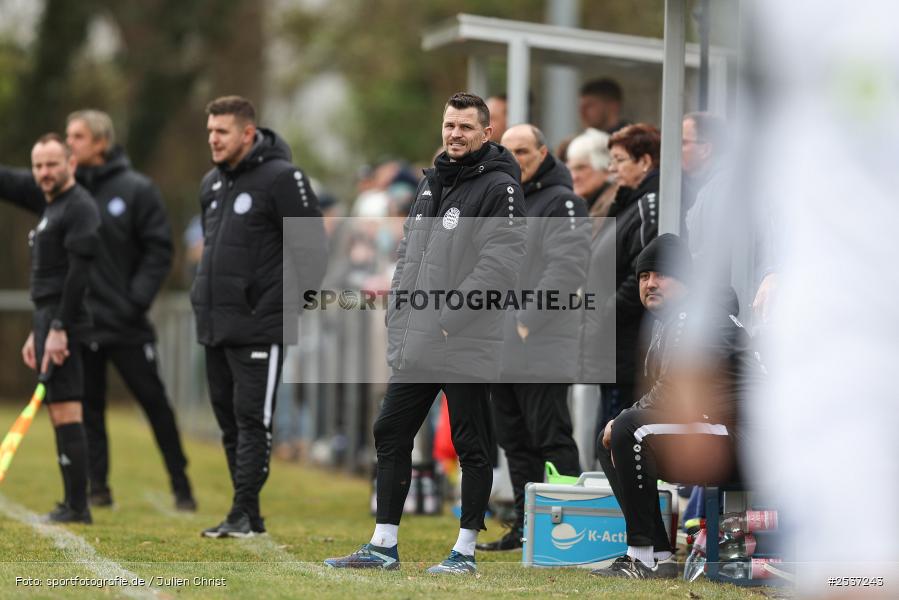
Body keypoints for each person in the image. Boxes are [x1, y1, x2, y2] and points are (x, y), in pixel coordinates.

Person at [324, 92, 526, 574]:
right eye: (449, 124)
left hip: (466, 338)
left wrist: (445, 319)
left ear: (486, 133)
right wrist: (401, 317)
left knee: (470, 442)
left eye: (465, 127)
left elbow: (498, 268)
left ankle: (464, 551)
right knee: (390, 429)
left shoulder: (501, 188)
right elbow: (409, 260)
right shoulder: (432, 182)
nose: (455, 134)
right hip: (419, 337)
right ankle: (383, 544)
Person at [1, 111, 195, 510]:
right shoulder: (56, 189)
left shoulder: (136, 190)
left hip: (124, 323)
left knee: (153, 401)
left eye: (78, 136)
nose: (69, 144)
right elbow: (10, 181)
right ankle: (97, 489)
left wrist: (133, 302)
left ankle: (181, 484)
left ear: (101, 142)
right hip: (77, 322)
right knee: (88, 407)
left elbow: (159, 250)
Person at [591, 234, 764, 579]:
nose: (650, 283)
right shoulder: (673, 321)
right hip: (717, 432)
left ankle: (642, 557)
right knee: (615, 434)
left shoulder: (701, 316)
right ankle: (657, 553)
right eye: (643, 277)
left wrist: (623, 420)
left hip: (752, 442)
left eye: (661, 274)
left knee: (628, 427)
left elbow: (674, 392)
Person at [192, 95, 327, 538]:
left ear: (247, 134)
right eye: (210, 131)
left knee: (253, 419)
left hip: (260, 324)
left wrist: (289, 304)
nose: (213, 139)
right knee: (229, 422)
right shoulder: (211, 183)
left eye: (222, 132)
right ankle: (247, 513)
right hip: (216, 324)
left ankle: (242, 511)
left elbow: (311, 249)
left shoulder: (283, 178)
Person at [476, 124, 589, 552]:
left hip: (541, 344)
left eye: (523, 151)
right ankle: (528, 528)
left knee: (550, 437)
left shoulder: (563, 203)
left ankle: (569, 526)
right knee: (514, 442)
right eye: (508, 151)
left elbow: (567, 268)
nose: (515, 158)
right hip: (499, 345)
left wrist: (526, 319)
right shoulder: (505, 200)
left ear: (543, 153)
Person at [7, 134, 100, 523]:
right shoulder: (52, 207)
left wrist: (60, 327)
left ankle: (77, 506)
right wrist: (38, 329)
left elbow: (78, 275)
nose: (44, 173)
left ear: (71, 165)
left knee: (66, 407)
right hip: (49, 317)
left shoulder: (78, 207)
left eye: (52, 164)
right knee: (59, 409)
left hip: (65, 318)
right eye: (38, 166)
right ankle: (72, 503)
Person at [581, 124, 660, 437]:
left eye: (619, 160)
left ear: (645, 162)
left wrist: (604, 314)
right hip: (611, 347)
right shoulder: (627, 202)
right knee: (605, 435)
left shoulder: (648, 205)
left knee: (616, 437)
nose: (612, 169)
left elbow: (641, 271)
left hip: (629, 348)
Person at [566, 127, 617, 220]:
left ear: (606, 169)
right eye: (570, 169)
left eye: (580, 168)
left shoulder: (614, 205)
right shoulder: (591, 204)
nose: (573, 177)